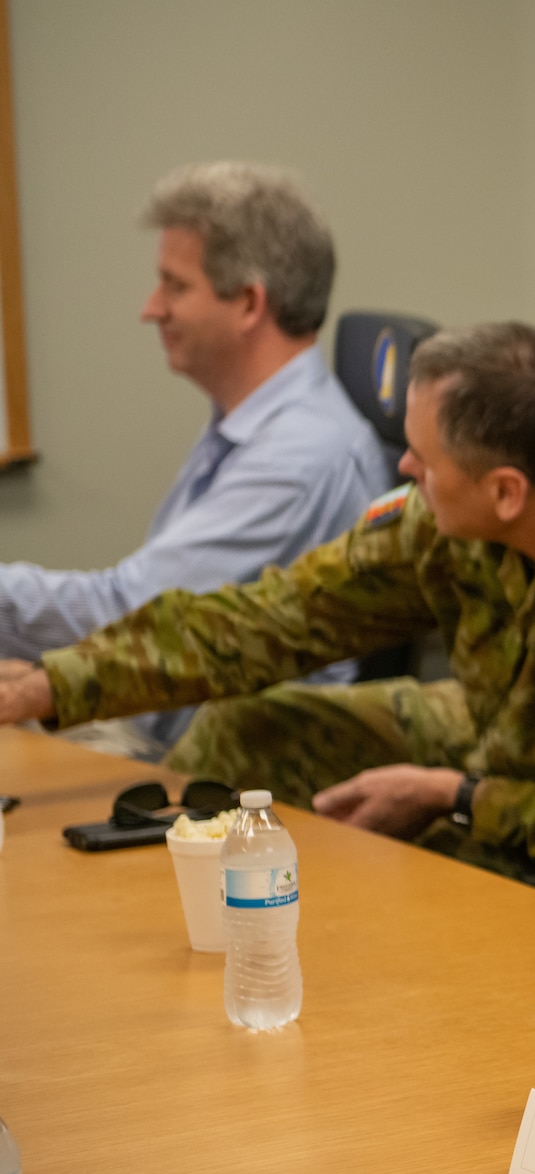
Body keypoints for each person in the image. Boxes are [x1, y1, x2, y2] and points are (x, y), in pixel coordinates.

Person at [0, 322, 535, 877]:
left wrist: (454, 796)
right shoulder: (452, 514)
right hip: (496, 728)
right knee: (246, 733)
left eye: (422, 460)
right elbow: (273, 619)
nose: (402, 469)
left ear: (505, 491)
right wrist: (55, 681)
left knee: (405, 868)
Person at [0, 162, 391, 757]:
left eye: (174, 286)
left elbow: (132, 617)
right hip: (151, 729)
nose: (151, 308)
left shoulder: (301, 458)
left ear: (249, 303)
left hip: (210, 778)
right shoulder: (245, 425)